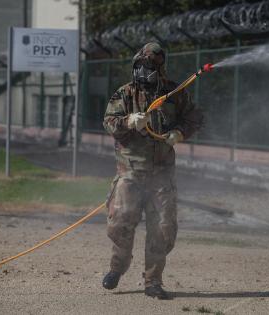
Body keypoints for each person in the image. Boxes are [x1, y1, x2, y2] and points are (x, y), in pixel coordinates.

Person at [102, 42, 203, 299]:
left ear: (159, 68)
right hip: (130, 173)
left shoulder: (174, 93)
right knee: (120, 224)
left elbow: (194, 117)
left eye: (150, 67)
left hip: (162, 174)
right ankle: (117, 268)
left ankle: (153, 282)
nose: (143, 72)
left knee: (162, 228)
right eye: (140, 66)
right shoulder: (124, 94)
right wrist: (128, 121)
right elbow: (109, 122)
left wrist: (179, 133)